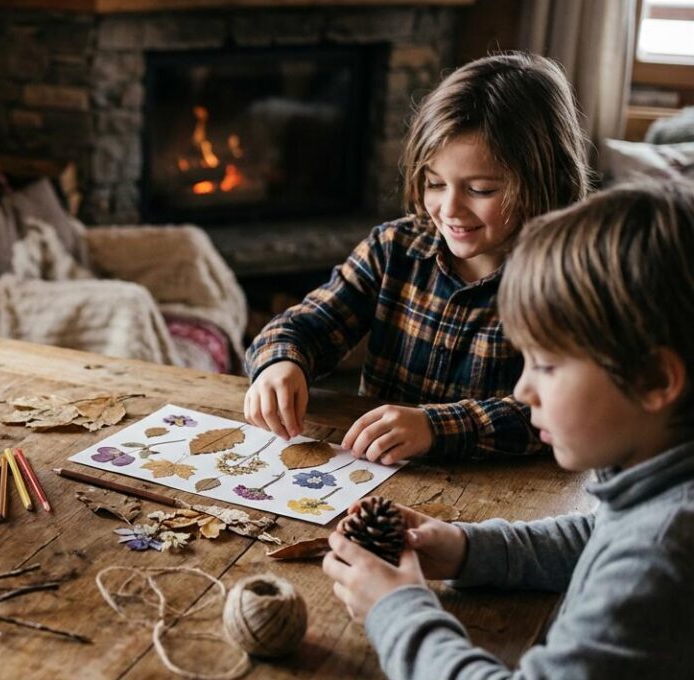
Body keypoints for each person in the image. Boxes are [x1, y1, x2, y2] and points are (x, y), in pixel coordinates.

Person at [322, 180, 694, 678]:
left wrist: (397, 609)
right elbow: (599, 533)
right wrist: (466, 549)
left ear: (654, 380)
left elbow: (630, 555)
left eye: (546, 365)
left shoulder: (658, 559)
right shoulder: (660, 484)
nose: (522, 391)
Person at [244, 52, 590, 463]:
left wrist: (434, 427)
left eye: (480, 190)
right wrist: (280, 363)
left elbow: (560, 411)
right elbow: (306, 325)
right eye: (435, 183)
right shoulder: (395, 248)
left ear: (543, 178)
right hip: (373, 477)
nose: (450, 209)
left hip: (502, 495)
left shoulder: (569, 279)